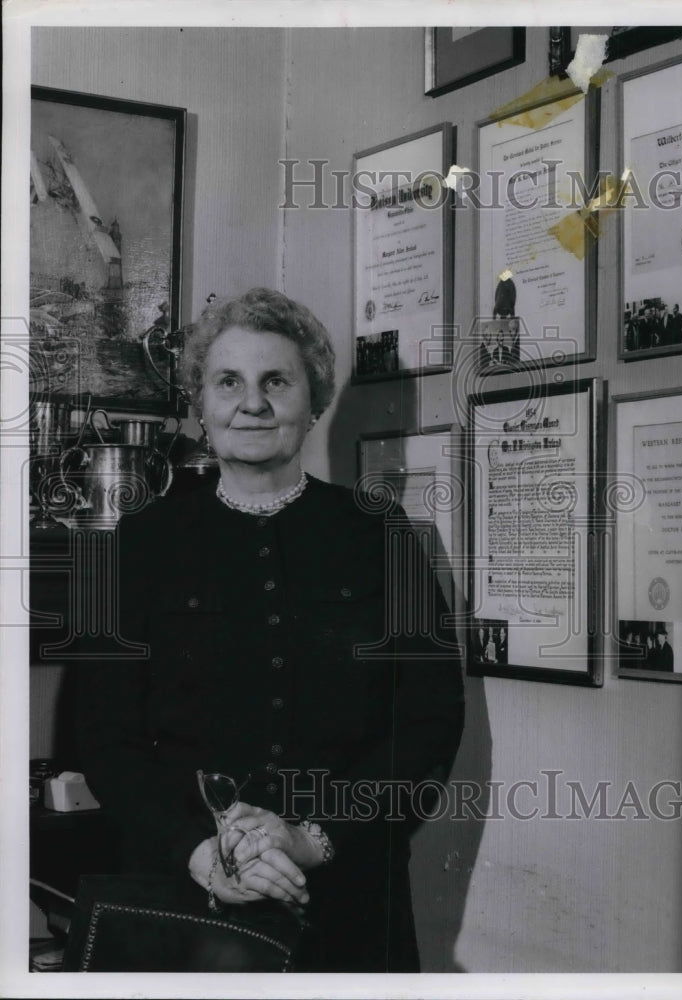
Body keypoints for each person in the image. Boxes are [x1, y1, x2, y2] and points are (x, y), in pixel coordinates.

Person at [76, 287, 464, 972]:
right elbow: (102, 735)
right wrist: (201, 851)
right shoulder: (136, 545)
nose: (250, 403)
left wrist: (312, 838)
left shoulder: (382, 536)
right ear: (201, 401)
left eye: (275, 382)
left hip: (347, 896)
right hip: (181, 890)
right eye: (228, 382)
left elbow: (426, 723)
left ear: (312, 402)